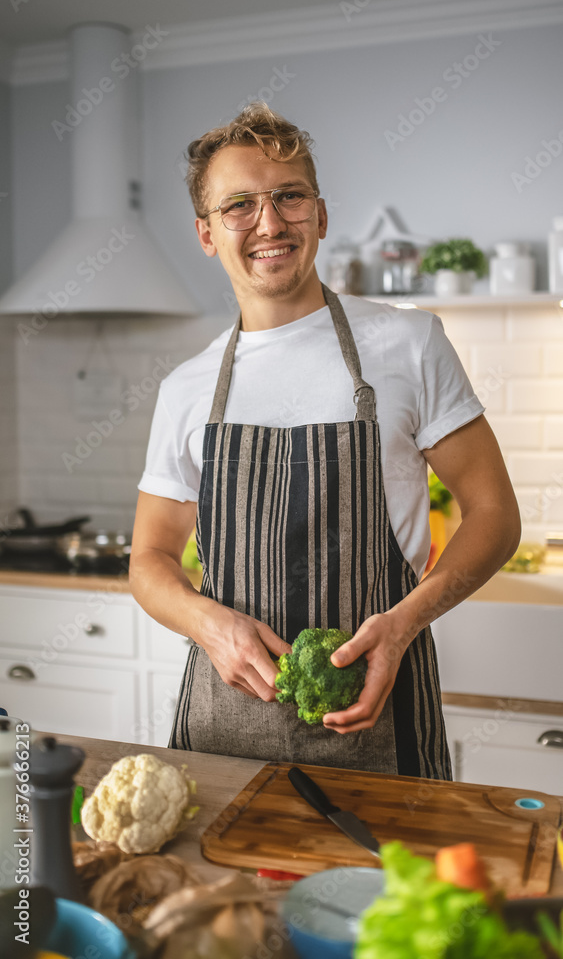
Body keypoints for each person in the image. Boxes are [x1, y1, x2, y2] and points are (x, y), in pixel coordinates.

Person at [130, 103, 520, 778]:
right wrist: (208, 625)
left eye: (289, 197)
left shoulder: (408, 342)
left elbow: (493, 516)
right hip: (225, 733)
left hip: (379, 725)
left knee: (389, 886)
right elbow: (150, 558)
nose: (269, 223)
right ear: (206, 233)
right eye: (239, 206)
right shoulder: (187, 389)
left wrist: (399, 625)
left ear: (321, 214)